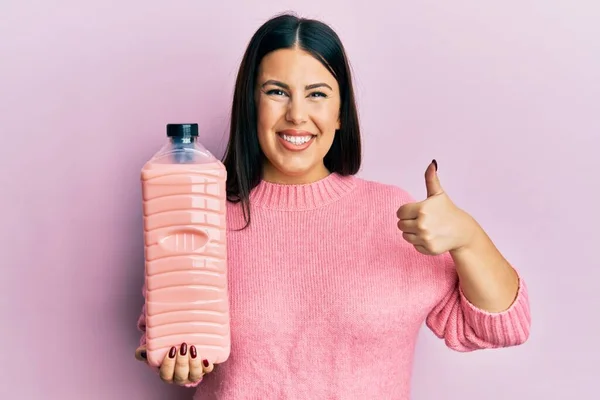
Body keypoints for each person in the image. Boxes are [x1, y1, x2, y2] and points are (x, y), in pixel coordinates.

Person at [135, 12, 531, 399]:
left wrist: (468, 237)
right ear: (251, 105)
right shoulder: (205, 216)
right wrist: (178, 361)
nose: (296, 115)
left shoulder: (393, 214)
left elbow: (501, 328)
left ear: (341, 113)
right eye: (276, 92)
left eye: (317, 94)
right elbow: (173, 342)